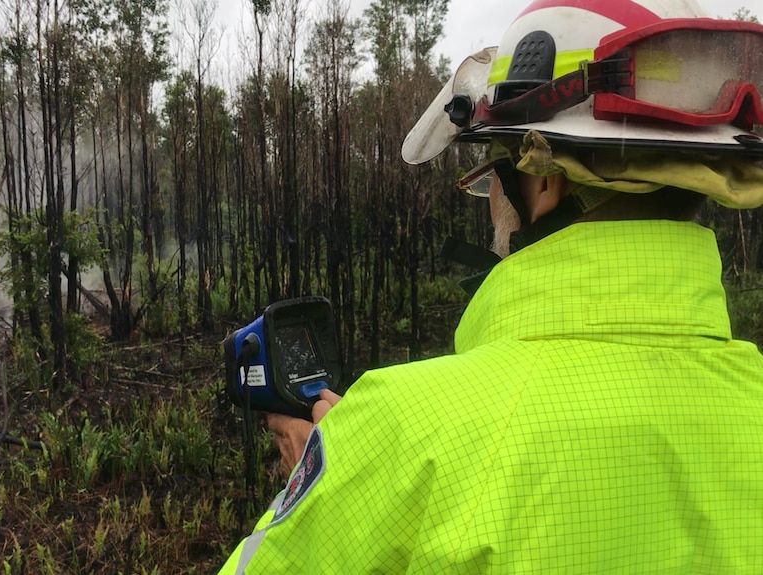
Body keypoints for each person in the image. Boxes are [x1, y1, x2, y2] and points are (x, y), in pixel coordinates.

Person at [219, 0, 763, 572]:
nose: (493, 209)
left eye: (494, 180)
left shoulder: (403, 429)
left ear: (543, 177)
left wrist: (323, 481)